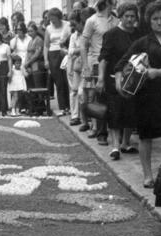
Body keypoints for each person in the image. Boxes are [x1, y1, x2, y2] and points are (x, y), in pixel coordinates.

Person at [114, 1, 161, 187]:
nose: (159, 22)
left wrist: (157, 72)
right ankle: (147, 175)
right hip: (145, 96)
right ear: (149, 21)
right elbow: (121, 63)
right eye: (155, 19)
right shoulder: (142, 42)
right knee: (146, 136)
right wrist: (119, 82)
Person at [99, 2, 140, 160]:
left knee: (131, 112)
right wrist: (101, 79)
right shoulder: (111, 34)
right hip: (113, 79)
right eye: (126, 16)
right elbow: (103, 58)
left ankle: (125, 143)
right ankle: (115, 146)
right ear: (120, 17)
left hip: (134, 81)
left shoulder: (138, 34)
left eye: (132, 16)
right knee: (115, 112)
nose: (130, 19)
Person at [82, 0, 118, 142]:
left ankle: (115, 132)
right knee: (101, 99)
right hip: (98, 62)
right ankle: (102, 133)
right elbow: (83, 45)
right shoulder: (92, 21)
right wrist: (86, 66)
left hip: (115, 63)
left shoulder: (116, 20)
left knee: (114, 98)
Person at [44, 8, 72, 115]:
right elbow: (46, 45)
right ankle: (63, 106)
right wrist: (46, 59)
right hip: (53, 54)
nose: (53, 22)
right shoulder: (48, 28)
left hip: (64, 53)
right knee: (59, 82)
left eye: (54, 19)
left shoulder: (67, 25)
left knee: (67, 80)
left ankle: (70, 106)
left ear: (59, 17)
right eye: (51, 20)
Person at [67, 11, 86, 126]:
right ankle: (75, 116)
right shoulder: (74, 36)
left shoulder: (87, 34)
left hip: (86, 65)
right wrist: (81, 49)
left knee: (82, 92)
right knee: (74, 91)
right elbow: (70, 51)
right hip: (76, 66)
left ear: (81, 22)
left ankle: (85, 118)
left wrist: (77, 50)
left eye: (75, 24)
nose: (73, 27)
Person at [24, 22, 46, 88]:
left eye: (31, 31)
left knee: (38, 85)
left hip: (37, 65)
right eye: (28, 31)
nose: (29, 33)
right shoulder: (30, 41)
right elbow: (28, 53)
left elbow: (37, 54)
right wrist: (26, 65)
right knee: (31, 87)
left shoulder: (39, 40)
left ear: (36, 31)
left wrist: (28, 63)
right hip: (30, 66)